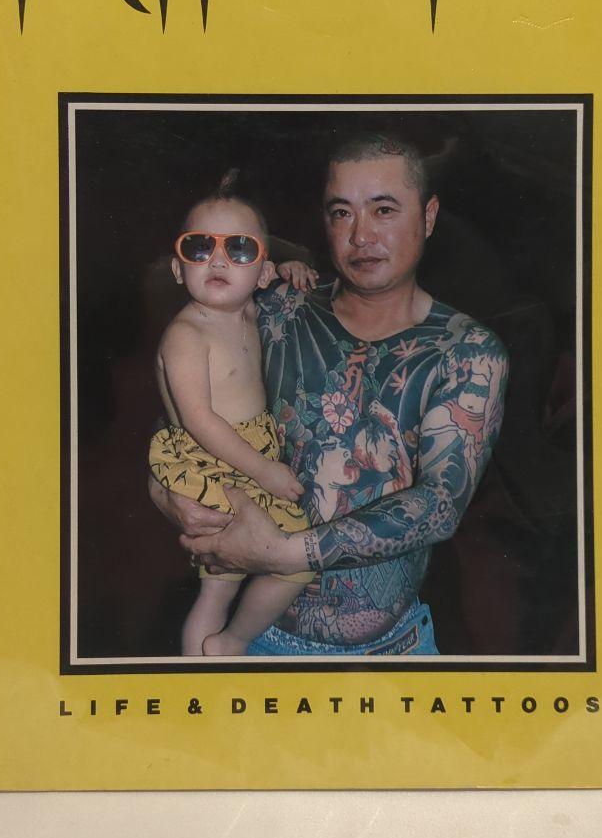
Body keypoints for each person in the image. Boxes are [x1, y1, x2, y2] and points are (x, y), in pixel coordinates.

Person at [150, 135, 508, 655]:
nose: (361, 235)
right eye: (342, 213)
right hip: (260, 645)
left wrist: (283, 553)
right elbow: (188, 410)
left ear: (428, 216)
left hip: (393, 653)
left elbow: (440, 504)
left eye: (383, 210)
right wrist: (164, 493)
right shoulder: (276, 312)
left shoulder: (467, 352)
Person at [149, 185, 315, 656]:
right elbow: (198, 421)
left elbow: (279, 272)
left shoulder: (247, 308)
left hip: (246, 450)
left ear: (262, 272)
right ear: (178, 268)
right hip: (213, 457)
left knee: (275, 565)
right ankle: (214, 655)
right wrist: (264, 470)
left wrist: (292, 267)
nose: (218, 260)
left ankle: (227, 641)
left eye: (239, 248)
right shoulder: (186, 335)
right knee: (230, 582)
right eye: (199, 247)